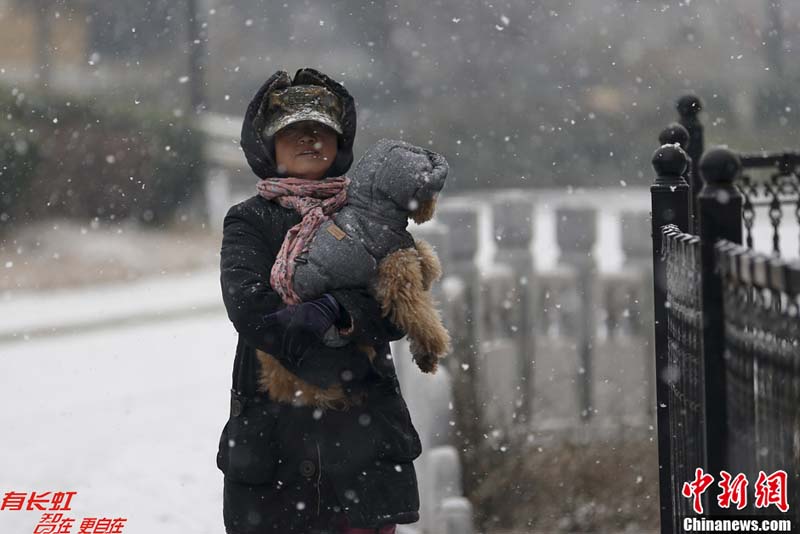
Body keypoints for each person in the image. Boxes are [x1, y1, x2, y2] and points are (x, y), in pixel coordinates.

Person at [217, 68, 422, 534]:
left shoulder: (372, 215)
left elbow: (399, 303)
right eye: (294, 131)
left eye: (321, 131)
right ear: (268, 145)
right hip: (275, 446)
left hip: (362, 443)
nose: (310, 140)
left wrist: (338, 311)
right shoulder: (248, 220)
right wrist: (322, 349)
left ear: (340, 142)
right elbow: (250, 308)